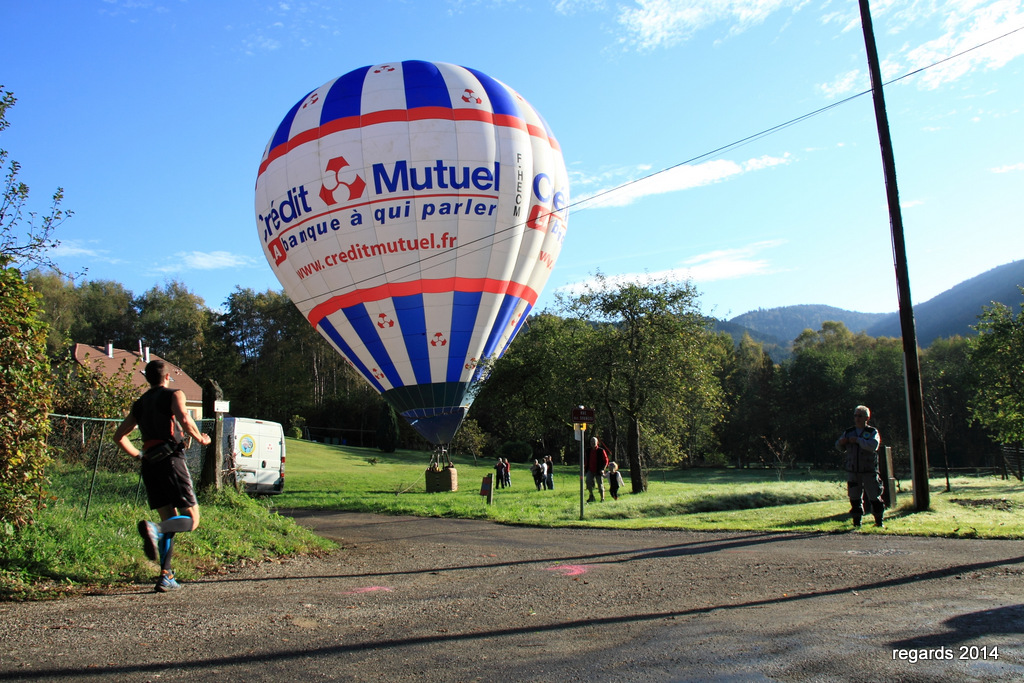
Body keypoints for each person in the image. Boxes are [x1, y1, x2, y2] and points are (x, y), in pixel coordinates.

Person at [113, 360, 211, 591]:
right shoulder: (174, 394)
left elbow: (119, 436)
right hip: (170, 461)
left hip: (150, 464)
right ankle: (154, 529)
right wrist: (200, 439)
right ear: (168, 377)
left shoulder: (140, 403)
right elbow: (184, 419)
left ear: (148, 379)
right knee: (191, 520)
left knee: (171, 521)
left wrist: (139, 456)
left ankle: (165, 575)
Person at [836, 405, 884, 528]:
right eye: (855, 415)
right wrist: (841, 443)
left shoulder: (872, 432)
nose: (857, 418)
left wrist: (858, 441)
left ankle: (879, 522)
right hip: (853, 470)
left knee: (874, 496)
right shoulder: (848, 431)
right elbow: (839, 446)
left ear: (867, 418)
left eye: (860, 416)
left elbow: (873, 445)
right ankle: (856, 523)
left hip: (868, 470)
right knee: (854, 497)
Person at [585, 437, 609, 502]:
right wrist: (585, 468)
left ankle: (602, 498)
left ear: (597, 442)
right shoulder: (588, 450)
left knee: (600, 485)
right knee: (588, 481)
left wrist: (603, 469)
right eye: (591, 442)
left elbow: (606, 461)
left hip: (599, 470)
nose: (592, 443)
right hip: (590, 470)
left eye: (594, 442)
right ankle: (591, 496)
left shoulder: (601, 451)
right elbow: (586, 460)